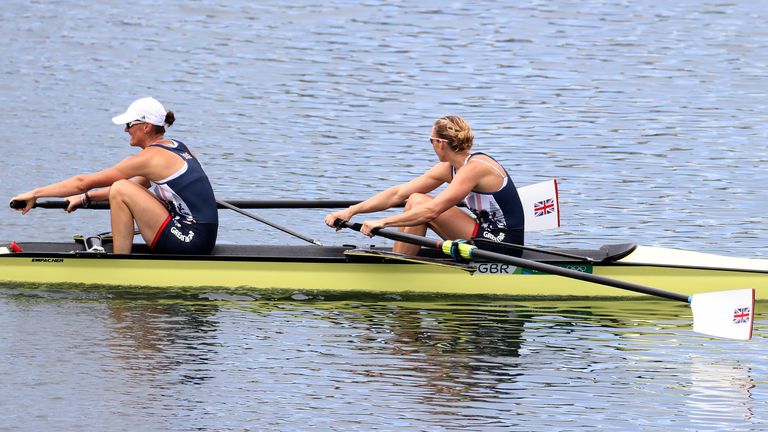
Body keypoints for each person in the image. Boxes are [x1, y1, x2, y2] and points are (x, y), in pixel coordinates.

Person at [10, 97, 219, 255]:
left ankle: (120, 265)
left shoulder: (149, 158)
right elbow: (137, 188)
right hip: (201, 237)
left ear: (146, 126)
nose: (125, 130)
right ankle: (122, 261)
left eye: (129, 124)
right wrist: (86, 199)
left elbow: (83, 182)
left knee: (120, 187)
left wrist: (34, 193)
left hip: (189, 241)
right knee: (123, 188)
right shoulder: (177, 147)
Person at [324, 115, 524, 256]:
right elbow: (398, 194)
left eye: (430, 141)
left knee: (422, 205)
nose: (431, 145)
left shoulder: (474, 168)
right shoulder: (449, 168)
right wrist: (351, 211)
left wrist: (383, 222)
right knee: (415, 198)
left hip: (503, 244)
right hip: (483, 233)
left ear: (440, 143)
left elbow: (432, 211)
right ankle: (401, 260)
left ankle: (401, 270)